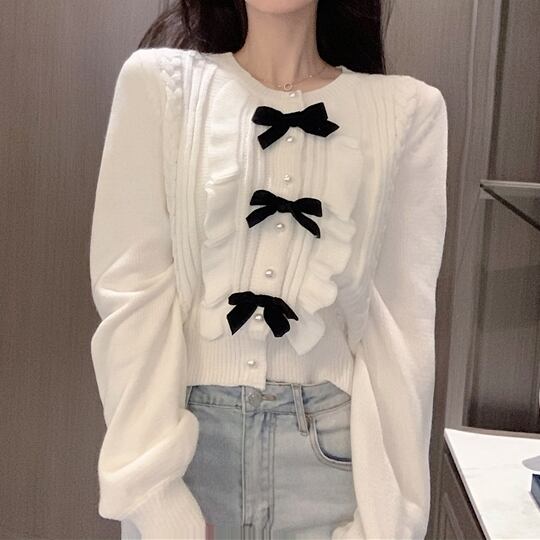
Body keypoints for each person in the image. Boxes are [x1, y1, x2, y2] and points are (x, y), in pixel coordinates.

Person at [89, 0, 448, 538]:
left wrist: (387, 524)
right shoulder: (159, 86)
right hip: (183, 457)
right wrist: (155, 501)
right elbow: (130, 297)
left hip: (333, 465)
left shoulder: (407, 111)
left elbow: (402, 335)